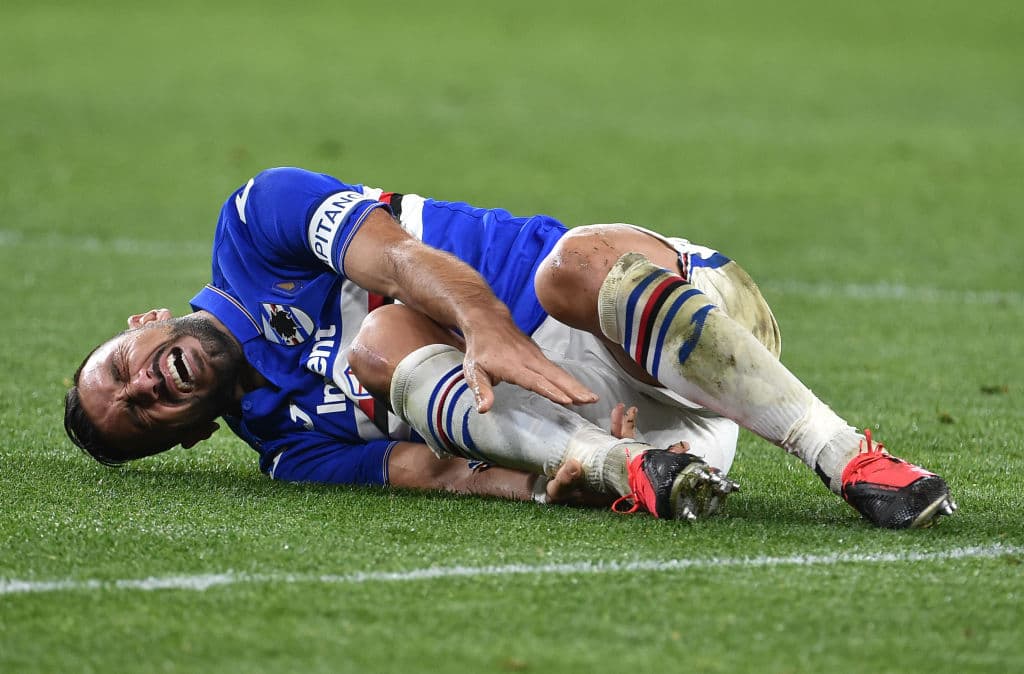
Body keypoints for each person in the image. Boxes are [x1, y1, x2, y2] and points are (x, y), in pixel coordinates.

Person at [64, 167, 956, 528]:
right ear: (182, 439)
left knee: (566, 268)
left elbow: (401, 258)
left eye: (119, 369)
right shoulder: (288, 448)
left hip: (686, 321)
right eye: (143, 415)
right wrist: (553, 483)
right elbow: (434, 472)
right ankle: (631, 469)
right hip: (615, 428)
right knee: (382, 342)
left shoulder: (256, 218)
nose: (144, 386)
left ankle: (847, 458)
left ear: (138, 324)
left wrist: (488, 330)